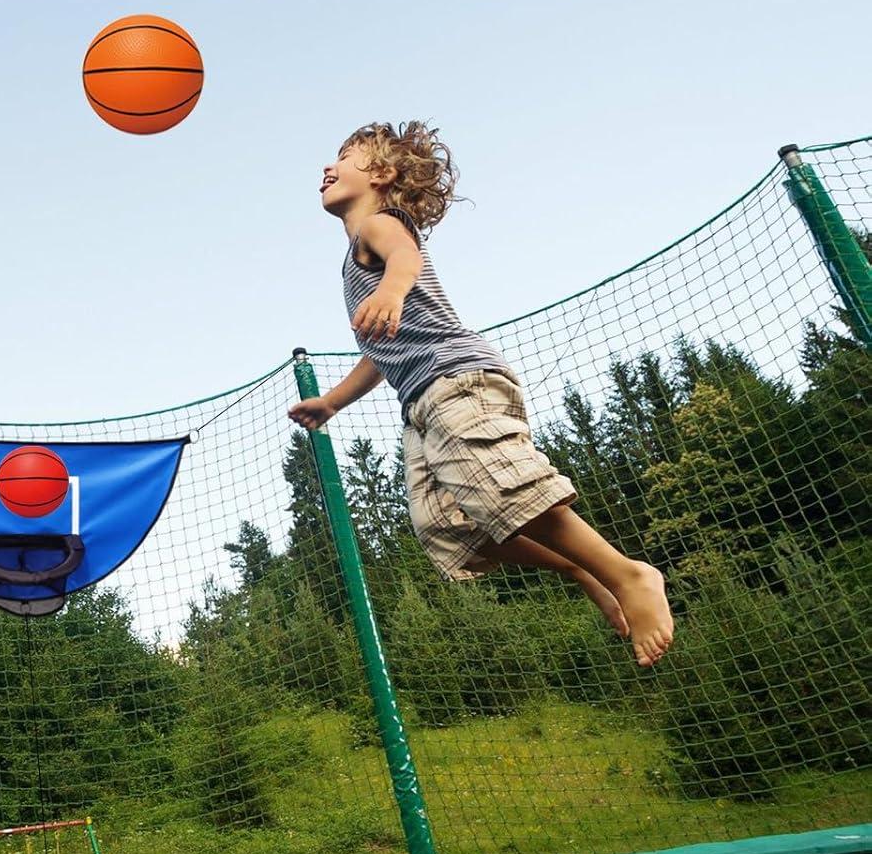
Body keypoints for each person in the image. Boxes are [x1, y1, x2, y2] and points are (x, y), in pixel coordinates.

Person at [288, 121, 674, 666]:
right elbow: (381, 352)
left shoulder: (379, 227)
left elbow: (406, 257)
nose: (327, 168)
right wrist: (332, 402)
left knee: (502, 490)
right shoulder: (352, 258)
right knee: (447, 532)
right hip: (421, 405)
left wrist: (396, 289)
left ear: (383, 174)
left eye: (344, 158)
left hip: (458, 381)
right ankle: (576, 565)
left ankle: (630, 574)